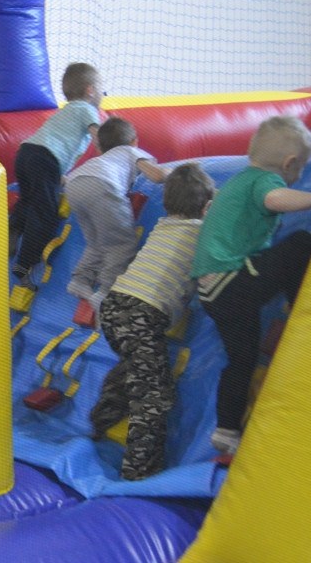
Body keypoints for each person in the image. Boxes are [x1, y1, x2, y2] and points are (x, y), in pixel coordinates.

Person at [192, 116, 311, 456]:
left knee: (242, 359)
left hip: (213, 293)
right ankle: (305, 312)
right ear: (290, 163)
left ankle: (226, 431)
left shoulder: (237, 181)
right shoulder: (263, 180)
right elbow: (274, 199)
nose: (300, 174)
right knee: (301, 243)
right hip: (231, 281)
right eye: (302, 167)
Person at [89, 163, 216, 480]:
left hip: (114, 307)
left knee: (135, 365)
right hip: (141, 313)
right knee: (154, 395)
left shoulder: (164, 225)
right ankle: (138, 472)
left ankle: (102, 417)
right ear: (207, 208)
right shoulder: (201, 233)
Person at [9, 62, 102, 291]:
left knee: (28, 201)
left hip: (26, 153)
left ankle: (14, 229)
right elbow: (99, 137)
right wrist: (114, 158)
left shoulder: (66, 112)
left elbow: (54, 149)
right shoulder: (87, 109)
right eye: (101, 87)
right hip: (45, 158)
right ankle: (24, 264)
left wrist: (60, 177)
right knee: (45, 213)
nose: (103, 93)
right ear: (90, 90)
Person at [64, 117, 171, 315]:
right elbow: (156, 175)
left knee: (96, 243)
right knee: (121, 244)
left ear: (101, 148)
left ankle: (80, 280)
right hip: (102, 184)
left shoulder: (101, 159)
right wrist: (174, 172)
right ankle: (106, 293)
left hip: (74, 184)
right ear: (134, 141)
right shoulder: (130, 151)